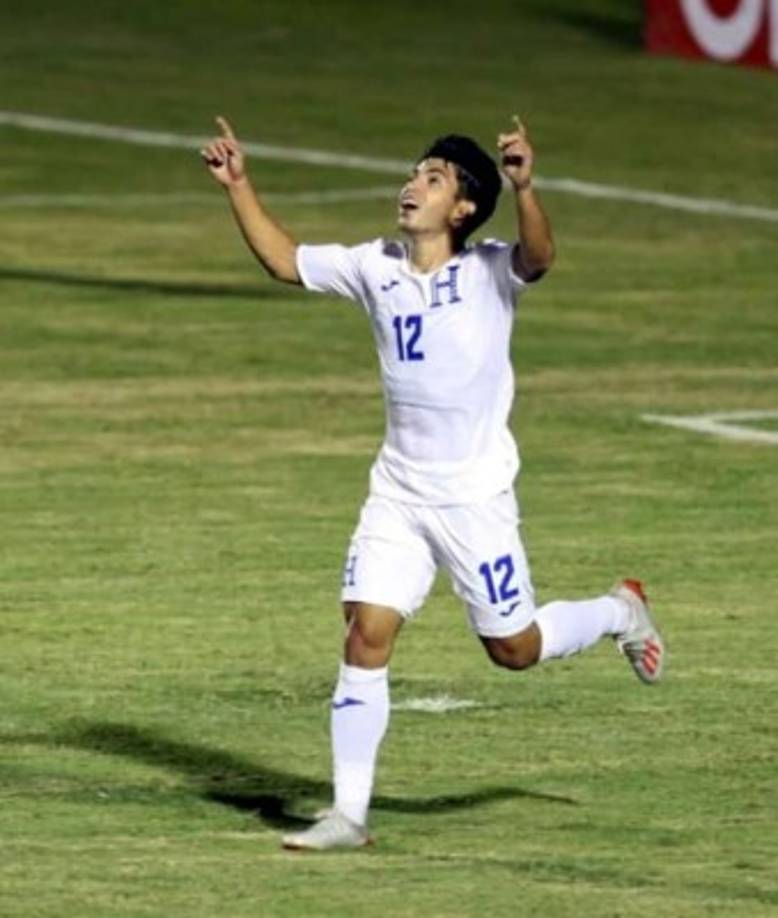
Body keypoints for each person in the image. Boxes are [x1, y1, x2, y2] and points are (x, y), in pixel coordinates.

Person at [201, 116, 665, 851]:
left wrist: (526, 187)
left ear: (464, 209)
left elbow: (541, 257)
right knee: (365, 631)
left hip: (474, 500)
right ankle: (349, 817)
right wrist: (239, 185)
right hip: (399, 494)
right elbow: (285, 261)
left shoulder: (487, 272)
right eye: (416, 170)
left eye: (434, 177)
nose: (412, 183)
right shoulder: (375, 265)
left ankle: (618, 611)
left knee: (513, 649)